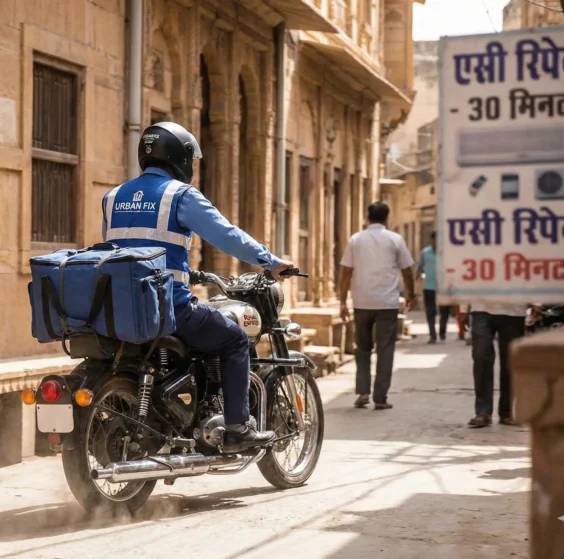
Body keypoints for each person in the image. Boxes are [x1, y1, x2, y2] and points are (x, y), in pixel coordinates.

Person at [101, 121, 293, 450]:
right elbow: (227, 235)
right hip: (169, 310)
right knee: (234, 338)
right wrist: (270, 262)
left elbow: (130, 251)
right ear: (180, 157)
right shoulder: (181, 196)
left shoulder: (113, 197)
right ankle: (237, 428)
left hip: (120, 309)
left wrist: (186, 271)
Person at [338, 202, 416, 411]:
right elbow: (407, 270)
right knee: (385, 348)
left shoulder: (356, 239)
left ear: (367, 217)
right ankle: (380, 397)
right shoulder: (395, 239)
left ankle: (363, 392)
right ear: (387, 218)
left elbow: (346, 272)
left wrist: (342, 301)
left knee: (362, 348)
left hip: (362, 302)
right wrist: (411, 293)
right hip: (387, 303)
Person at [468, 304, 528, 428]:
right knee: (481, 356)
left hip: (514, 308)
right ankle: (483, 411)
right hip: (481, 305)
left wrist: (536, 302)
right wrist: (463, 306)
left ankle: (507, 412)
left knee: (511, 361)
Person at [417, 231, 451, 343]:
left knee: (444, 312)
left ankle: (442, 332)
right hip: (429, 286)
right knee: (430, 311)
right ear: (432, 240)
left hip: (444, 287)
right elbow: (420, 267)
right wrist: (419, 274)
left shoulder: (447, 252)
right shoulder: (425, 252)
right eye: (435, 239)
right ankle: (432, 335)